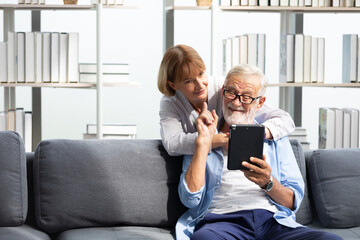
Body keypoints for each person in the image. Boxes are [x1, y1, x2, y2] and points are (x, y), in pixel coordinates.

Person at [176, 64, 342, 240]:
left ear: (260, 102)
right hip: (221, 223)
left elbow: (293, 202)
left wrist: (267, 182)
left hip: (273, 222)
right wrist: (203, 142)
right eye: (231, 92)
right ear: (223, 91)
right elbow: (189, 199)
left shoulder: (276, 138)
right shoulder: (203, 136)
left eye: (247, 97)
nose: (236, 102)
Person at [158, 44, 295, 156]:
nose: (200, 84)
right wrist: (222, 139)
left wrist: (256, 134)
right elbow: (172, 144)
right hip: (201, 163)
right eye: (188, 81)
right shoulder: (170, 103)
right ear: (173, 85)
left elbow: (285, 120)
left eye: (201, 73)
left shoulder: (224, 88)